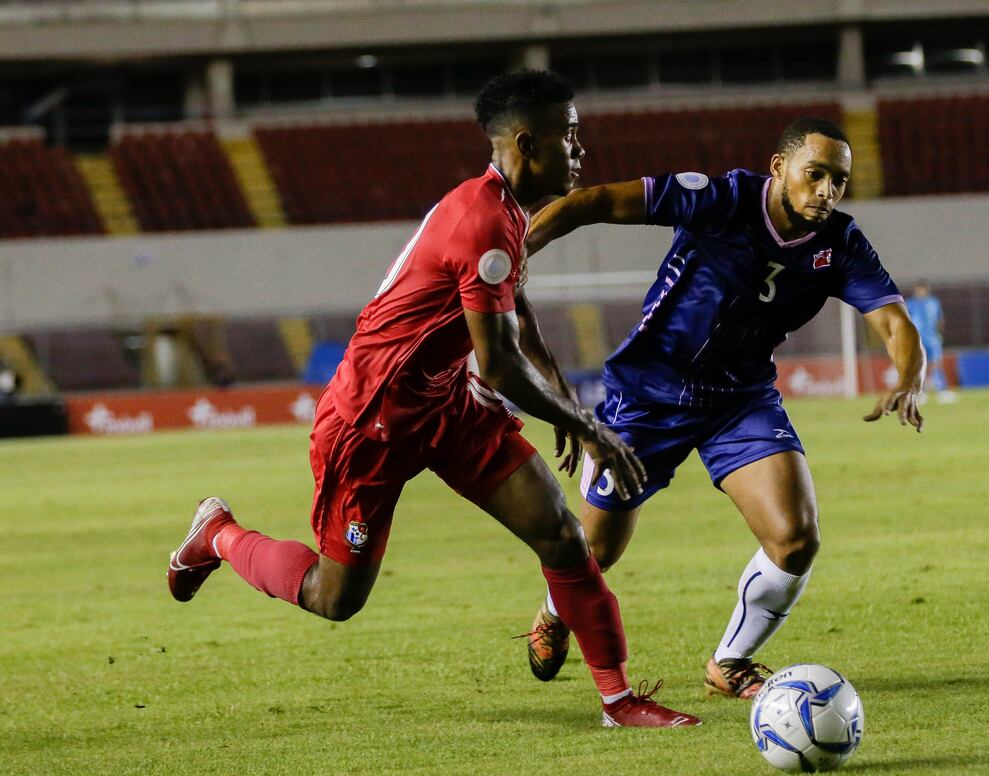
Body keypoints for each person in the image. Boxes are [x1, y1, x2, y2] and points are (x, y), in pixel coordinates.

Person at [166, 70, 699, 729]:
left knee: (561, 534)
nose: (580, 150)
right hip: (370, 422)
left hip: (445, 405)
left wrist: (561, 395)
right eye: (569, 137)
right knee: (335, 599)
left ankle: (620, 701)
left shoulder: (504, 212)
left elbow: (515, 318)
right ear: (527, 144)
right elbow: (500, 365)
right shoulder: (482, 220)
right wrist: (586, 425)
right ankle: (217, 535)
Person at [520, 117, 925, 699]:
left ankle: (730, 663)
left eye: (839, 179)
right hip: (646, 396)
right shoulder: (720, 198)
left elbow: (892, 320)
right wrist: (522, 246)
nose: (827, 191)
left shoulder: (841, 242)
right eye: (816, 174)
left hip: (739, 400)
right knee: (596, 552)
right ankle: (555, 613)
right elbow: (596, 200)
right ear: (779, 166)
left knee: (796, 537)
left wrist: (908, 375)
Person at [905, 280, 955, 402]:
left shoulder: (933, 302)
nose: (921, 291)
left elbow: (940, 319)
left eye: (923, 289)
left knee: (936, 364)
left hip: (932, 339)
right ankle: (919, 393)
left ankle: (942, 391)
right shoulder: (909, 304)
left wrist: (939, 335)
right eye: (918, 289)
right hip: (917, 339)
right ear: (915, 290)